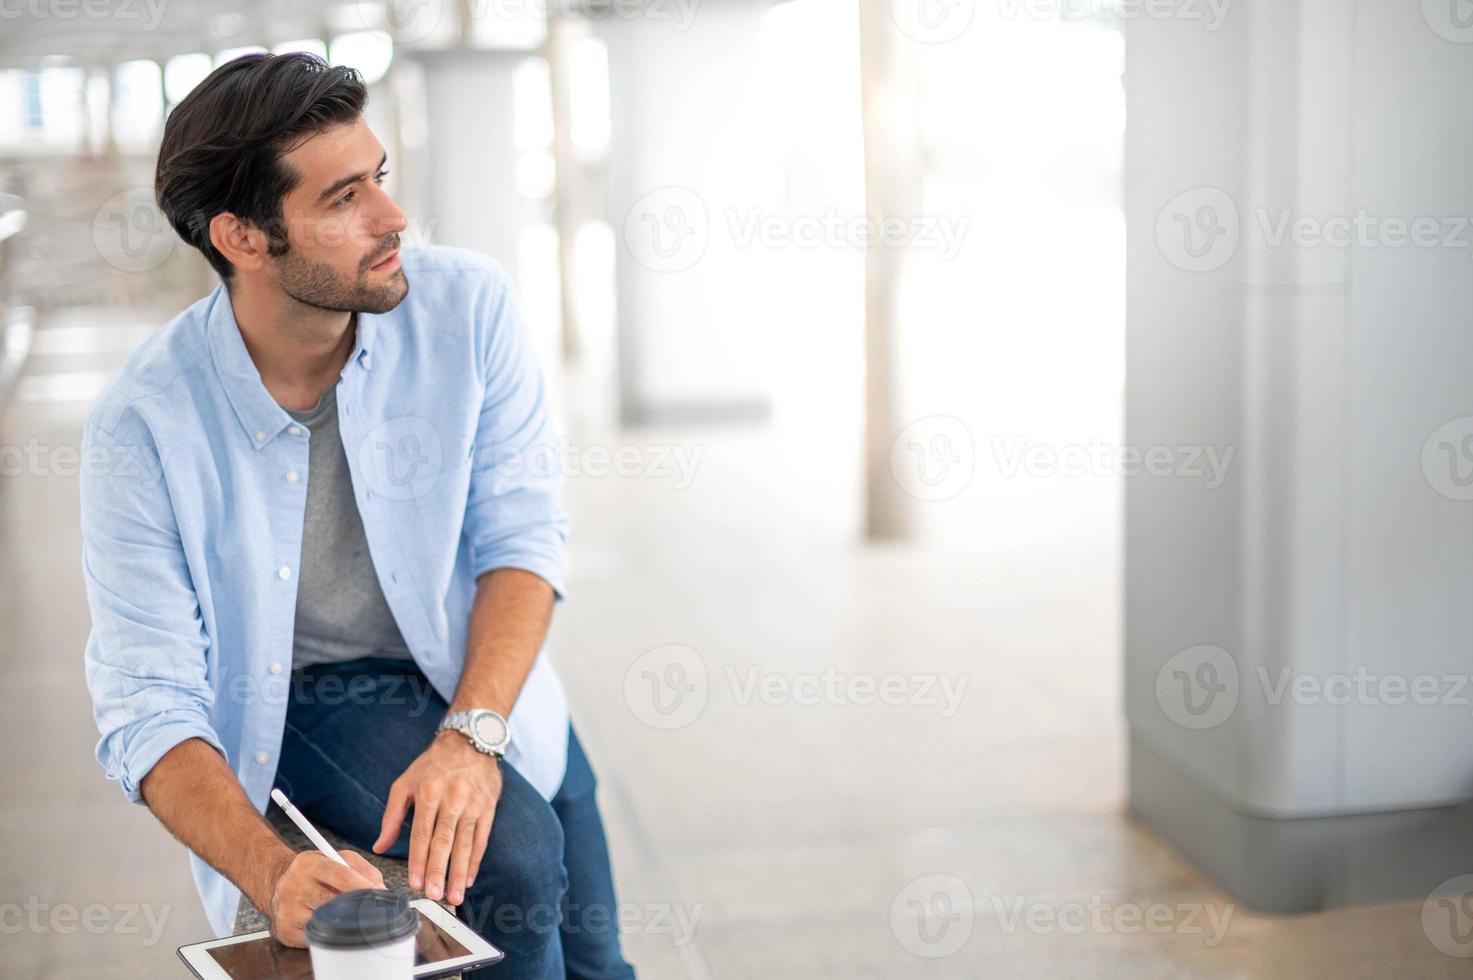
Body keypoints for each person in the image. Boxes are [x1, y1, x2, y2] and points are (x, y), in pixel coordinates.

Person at [79, 51, 634, 979]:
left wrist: (471, 735)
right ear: (244, 238)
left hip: (488, 678)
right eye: (343, 199)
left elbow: (520, 540)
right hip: (302, 690)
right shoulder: (142, 426)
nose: (392, 217)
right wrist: (274, 872)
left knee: (601, 966)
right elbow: (146, 701)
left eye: (377, 177)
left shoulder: (467, 308)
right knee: (518, 867)